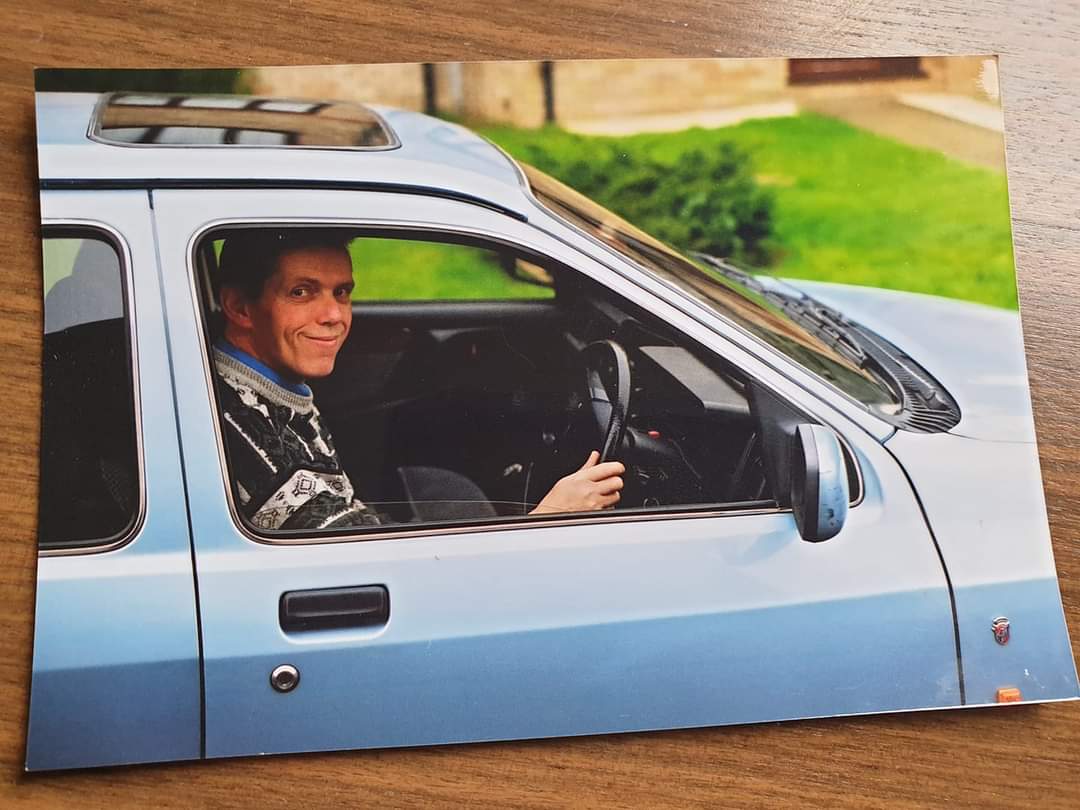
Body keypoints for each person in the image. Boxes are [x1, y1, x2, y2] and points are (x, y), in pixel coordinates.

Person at [213, 230, 625, 531]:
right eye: (302, 292)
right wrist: (546, 520)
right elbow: (377, 571)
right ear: (239, 307)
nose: (334, 316)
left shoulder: (274, 385)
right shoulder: (238, 427)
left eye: (341, 293)